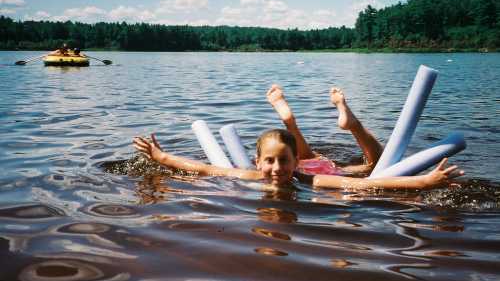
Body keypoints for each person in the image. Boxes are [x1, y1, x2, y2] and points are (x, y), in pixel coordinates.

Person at [133, 102, 464, 190]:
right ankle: (299, 126)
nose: (277, 170)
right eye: (270, 162)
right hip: (307, 161)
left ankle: (346, 127)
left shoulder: (312, 180)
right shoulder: (250, 177)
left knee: (371, 166)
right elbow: (203, 168)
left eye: (283, 162)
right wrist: (161, 157)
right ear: (257, 161)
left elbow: (370, 186)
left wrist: (423, 182)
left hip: (321, 168)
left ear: (292, 163)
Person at [267, 84, 382, 175]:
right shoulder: (321, 178)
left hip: (308, 172)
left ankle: (290, 123)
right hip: (333, 173)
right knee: (377, 164)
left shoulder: (264, 174)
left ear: (258, 162)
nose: (277, 168)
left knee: (308, 159)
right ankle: (355, 126)